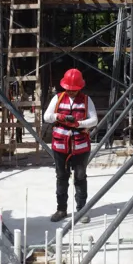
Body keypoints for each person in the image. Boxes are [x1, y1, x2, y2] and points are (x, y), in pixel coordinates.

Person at [43, 68, 97, 223]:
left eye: (74, 90)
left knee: (80, 178)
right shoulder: (58, 98)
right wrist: (57, 116)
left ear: (80, 87)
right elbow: (47, 117)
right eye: (69, 89)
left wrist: (79, 123)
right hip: (60, 146)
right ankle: (61, 209)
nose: (71, 92)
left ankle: (81, 210)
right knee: (61, 177)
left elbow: (94, 120)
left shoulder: (86, 100)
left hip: (80, 147)